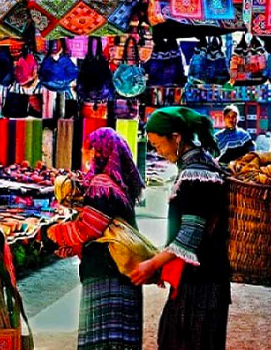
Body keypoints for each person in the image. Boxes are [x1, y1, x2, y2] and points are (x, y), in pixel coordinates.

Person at [131, 107, 230, 350]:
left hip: (201, 282)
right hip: (203, 279)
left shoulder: (197, 173)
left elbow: (190, 234)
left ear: (176, 138)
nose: (158, 152)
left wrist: (153, 264)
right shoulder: (200, 165)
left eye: (158, 145)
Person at [41, 127, 144, 350]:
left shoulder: (102, 185)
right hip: (122, 274)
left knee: (104, 341)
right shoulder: (119, 186)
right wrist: (72, 247)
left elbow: (88, 228)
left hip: (107, 277)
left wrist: (52, 234)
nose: (85, 153)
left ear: (100, 153)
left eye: (90, 150)